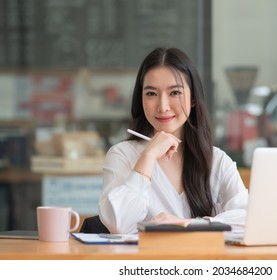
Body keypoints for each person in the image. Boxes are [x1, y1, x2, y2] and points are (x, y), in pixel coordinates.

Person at [99, 47, 248, 234]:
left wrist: (188, 224)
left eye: (175, 93)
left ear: (193, 98)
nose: (162, 106)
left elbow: (248, 219)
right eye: (151, 94)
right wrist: (148, 156)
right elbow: (118, 224)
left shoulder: (217, 161)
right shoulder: (123, 155)